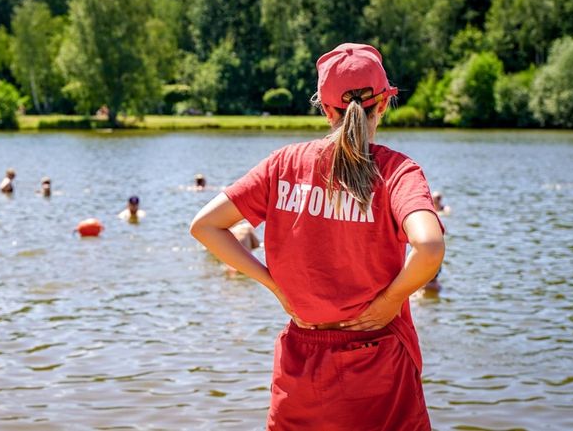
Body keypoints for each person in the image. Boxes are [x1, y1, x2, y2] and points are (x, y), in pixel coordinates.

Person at [190, 43, 445, 430]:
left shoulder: (284, 165)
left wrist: (274, 285)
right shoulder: (397, 171)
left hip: (302, 365)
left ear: (326, 110)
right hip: (379, 356)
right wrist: (391, 300)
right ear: (383, 105)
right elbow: (428, 246)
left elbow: (204, 226)